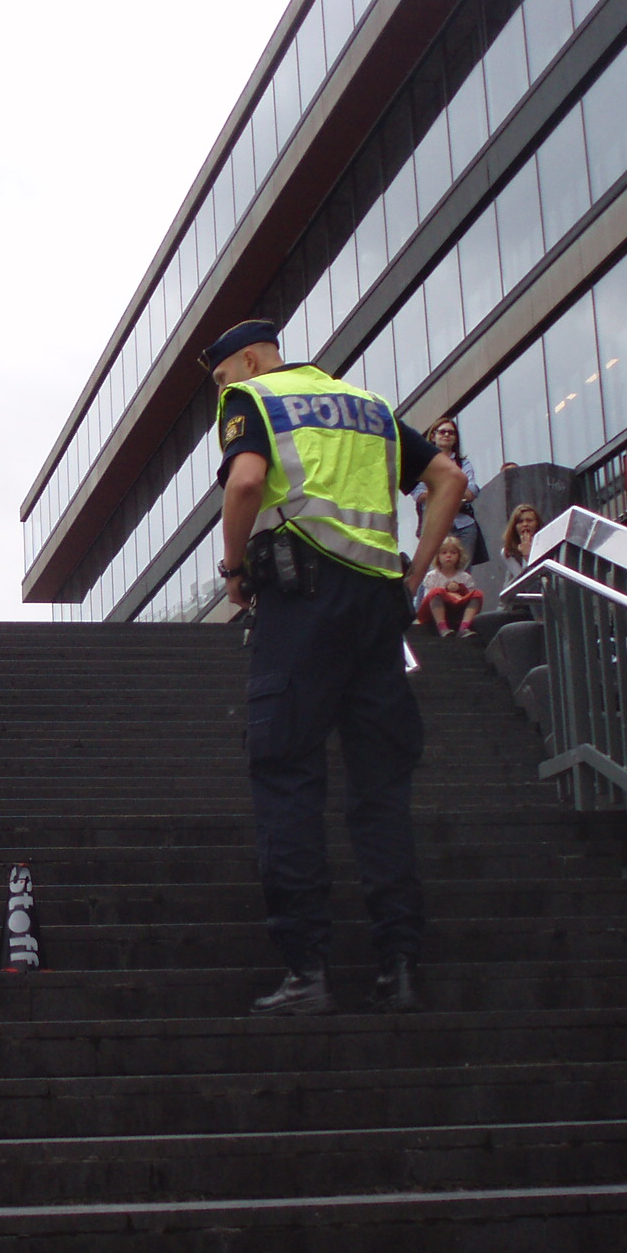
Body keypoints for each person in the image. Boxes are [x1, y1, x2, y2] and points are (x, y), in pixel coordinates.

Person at [206, 318, 466, 1017]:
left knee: (287, 776)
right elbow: (449, 477)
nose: (220, 392)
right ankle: (401, 968)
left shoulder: (253, 401)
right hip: (377, 612)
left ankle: (307, 971)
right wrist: (412, 575)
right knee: (381, 791)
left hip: (299, 608)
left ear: (253, 359)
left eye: (221, 375)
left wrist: (234, 570)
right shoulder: (370, 408)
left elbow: (247, 484)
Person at [410, 416, 483, 564]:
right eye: (442, 432)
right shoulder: (424, 463)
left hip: (464, 525)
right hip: (435, 524)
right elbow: (418, 494)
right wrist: (455, 489)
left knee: (463, 572)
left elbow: (472, 491)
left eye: (451, 433)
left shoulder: (463, 463)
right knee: (436, 571)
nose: (447, 435)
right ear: (433, 436)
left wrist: (438, 490)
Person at [470, 502, 546, 643]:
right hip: (520, 597)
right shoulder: (508, 552)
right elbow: (521, 580)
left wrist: (530, 555)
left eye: (529, 520)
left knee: (533, 583)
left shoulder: (547, 544)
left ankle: (541, 622)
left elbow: (540, 576)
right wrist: (525, 556)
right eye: (520, 521)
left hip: (544, 592)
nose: (525, 525)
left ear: (537, 523)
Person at [415, 536, 483, 637]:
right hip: (433, 612)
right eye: (444, 553)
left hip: (455, 611)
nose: (448, 556)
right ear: (437, 556)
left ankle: (464, 627)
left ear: (459, 556)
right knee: (436, 592)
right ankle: (442, 627)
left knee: (478, 594)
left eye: (453, 553)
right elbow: (428, 598)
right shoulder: (432, 576)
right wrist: (447, 592)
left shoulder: (465, 577)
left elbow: (469, 598)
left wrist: (460, 589)